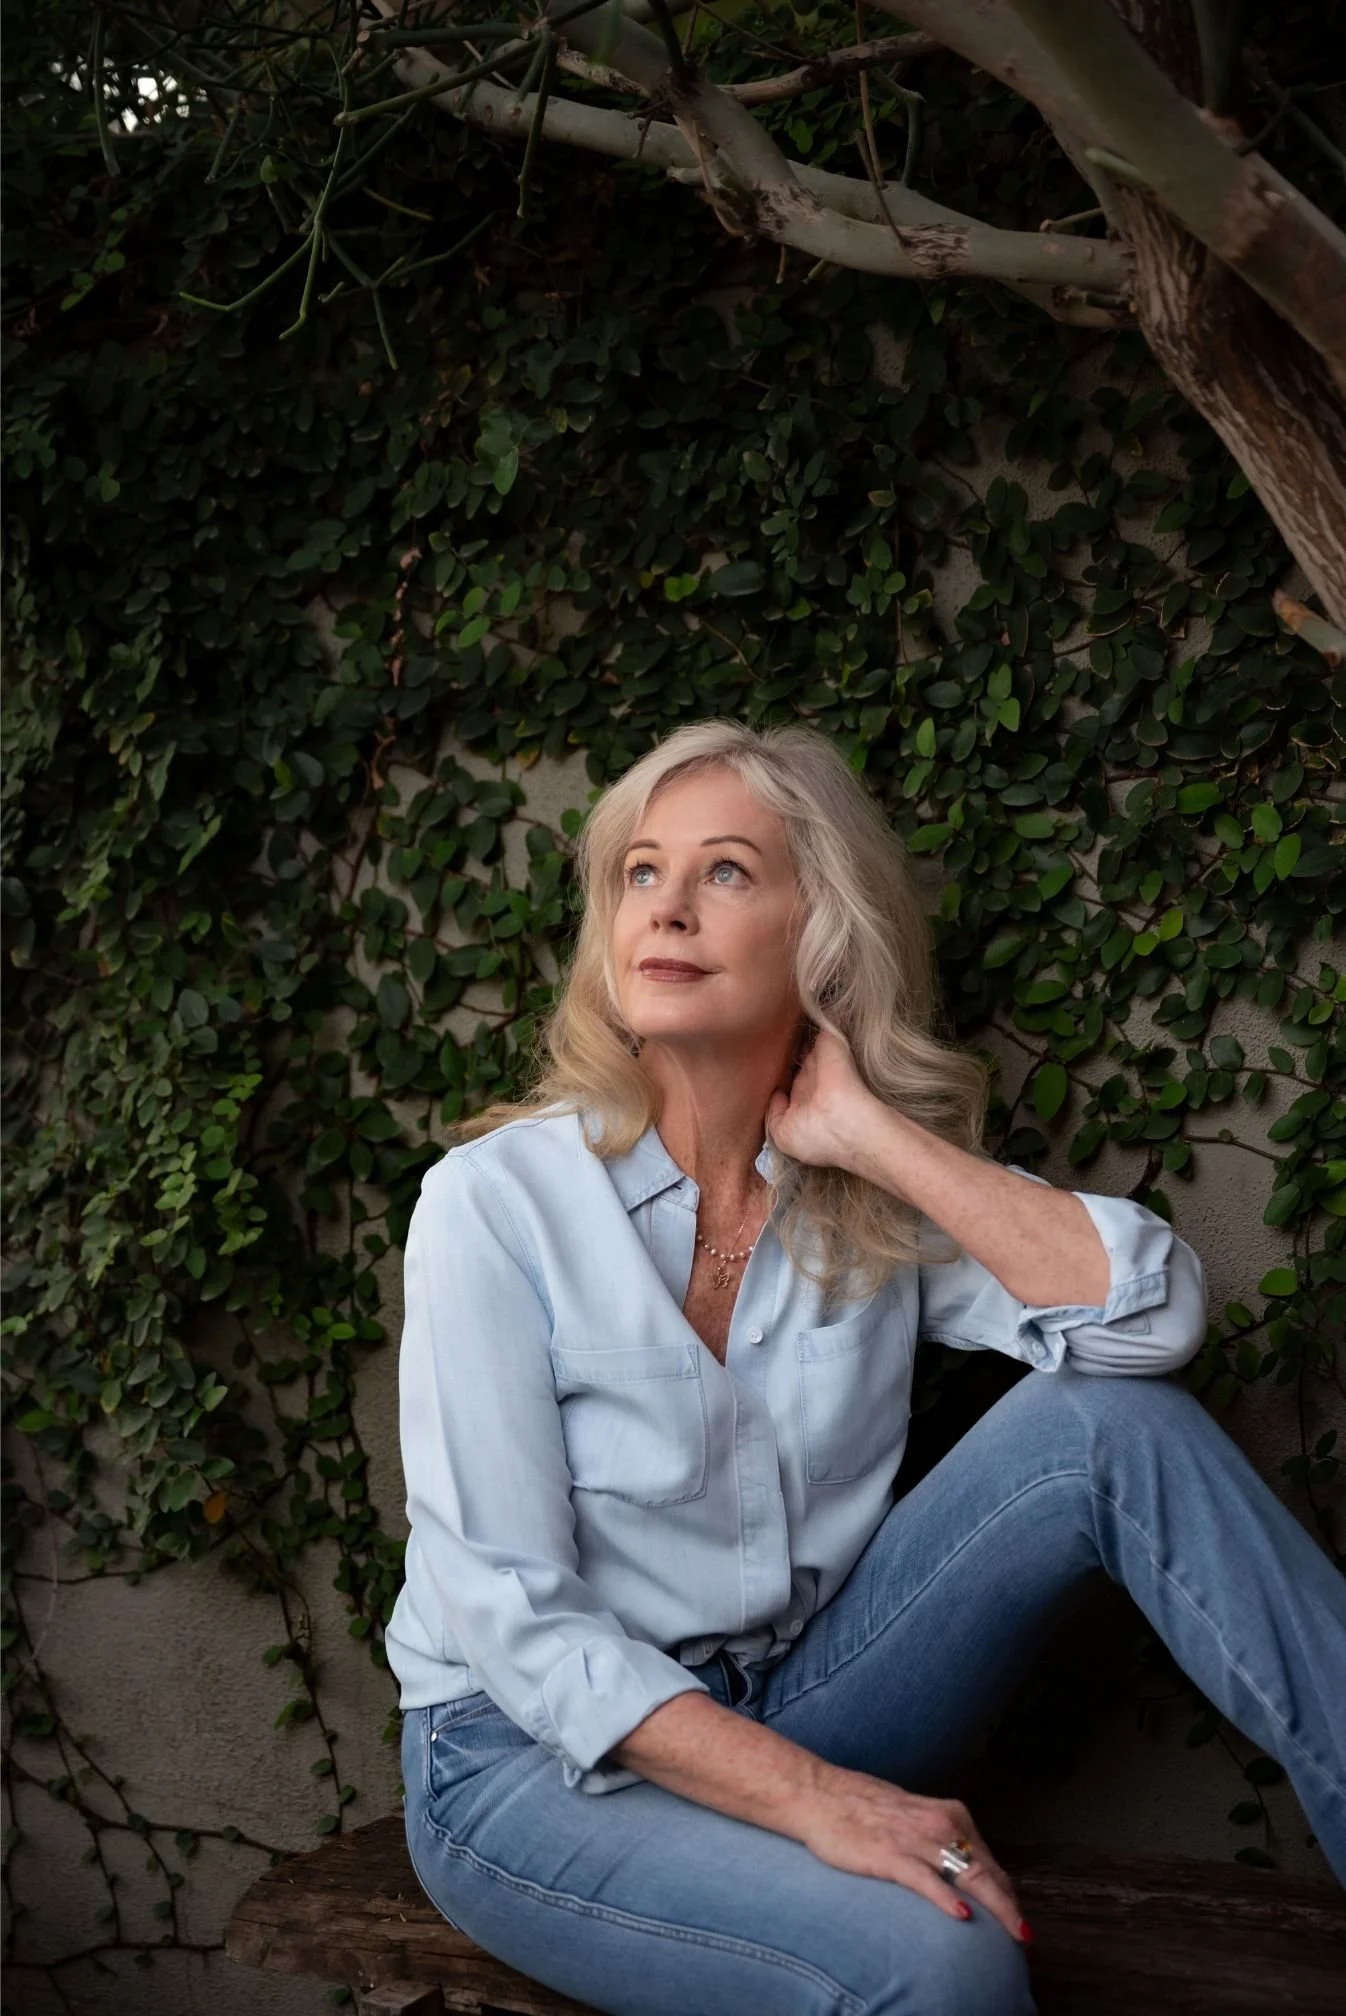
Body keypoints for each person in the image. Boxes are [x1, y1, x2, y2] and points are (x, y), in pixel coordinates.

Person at [385, 719, 1346, 2016]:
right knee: (939, 1957)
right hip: (527, 1760)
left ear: (821, 933)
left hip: (799, 1692)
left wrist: (874, 1137)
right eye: (640, 872)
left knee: (1113, 1426)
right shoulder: (495, 1204)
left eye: (726, 871)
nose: (666, 906)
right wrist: (821, 1801)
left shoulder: (857, 1193)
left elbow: (1151, 1321)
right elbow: (518, 1618)